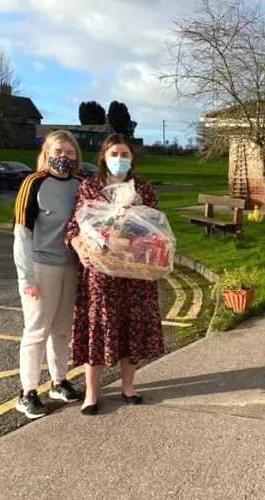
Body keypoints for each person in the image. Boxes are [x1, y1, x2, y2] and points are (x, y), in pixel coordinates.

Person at [65, 133, 164, 415]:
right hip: (101, 274)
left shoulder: (143, 188)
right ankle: (92, 394)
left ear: (132, 158)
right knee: (98, 328)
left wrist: (137, 235)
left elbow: (156, 228)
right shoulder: (90, 187)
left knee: (131, 326)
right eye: (114, 154)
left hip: (134, 271)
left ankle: (128, 387)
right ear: (103, 157)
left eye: (124, 155)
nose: (119, 160)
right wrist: (79, 247)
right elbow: (75, 226)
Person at [13, 130, 83, 419]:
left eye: (69, 152)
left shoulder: (81, 185)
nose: (63, 157)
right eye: (57, 151)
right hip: (41, 266)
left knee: (63, 329)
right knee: (37, 329)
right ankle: (27, 392)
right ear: (46, 153)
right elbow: (21, 232)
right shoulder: (34, 183)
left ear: (77, 156)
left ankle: (59, 381)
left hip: (71, 265)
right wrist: (26, 277)